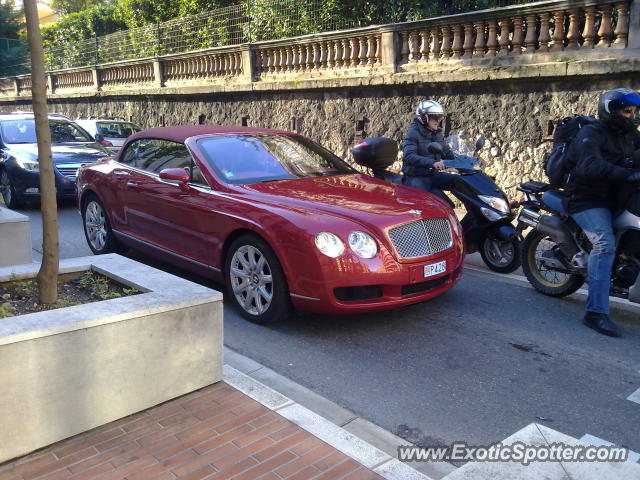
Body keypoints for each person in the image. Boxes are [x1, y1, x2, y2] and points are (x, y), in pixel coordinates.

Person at [567, 87, 640, 337]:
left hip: (619, 197)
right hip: (588, 199)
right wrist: (627, 173)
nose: (632, 116)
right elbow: (588, 163)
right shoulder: (592, 133)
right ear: (611, 111)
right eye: (626, 111)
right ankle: (595, 313)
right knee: (604, 245)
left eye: (634, 111)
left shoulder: (630, 135)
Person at [402, 99, 456, 201]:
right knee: (426, 203)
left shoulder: (437, 133)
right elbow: (409, 156)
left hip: (432, 175)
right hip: (416, 176)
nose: (438, 120)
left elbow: (446, 151)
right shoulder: (413, 132)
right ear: (424, 117)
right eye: (435, 117)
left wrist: (463, 160)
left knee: (458, 181)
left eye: (439, 117)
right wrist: (432, 163)